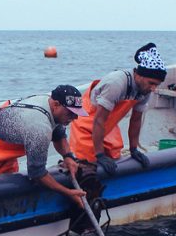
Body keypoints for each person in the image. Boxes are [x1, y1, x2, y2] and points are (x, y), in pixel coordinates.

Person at [0, 85, 88, 207]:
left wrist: (68, 156)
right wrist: (67, 192)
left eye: (77, 113)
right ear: (56, 104)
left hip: (6, 146)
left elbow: (58, 133)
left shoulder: (50, 104)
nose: (75, 118)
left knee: (5, 193)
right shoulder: (39, 128)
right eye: (71, 113)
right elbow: (37, 173)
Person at [69, 42, 167, 175]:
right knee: (88, 161)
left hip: (108, 122)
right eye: (151, 83)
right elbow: (98, 120)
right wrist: (99, 154)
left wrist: (134, 149)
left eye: (157, 85)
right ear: (139, 75)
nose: (153, 89)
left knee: (114, 155)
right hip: (89, 120)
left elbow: (136, 120)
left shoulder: (145, 90)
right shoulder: (116, 84)